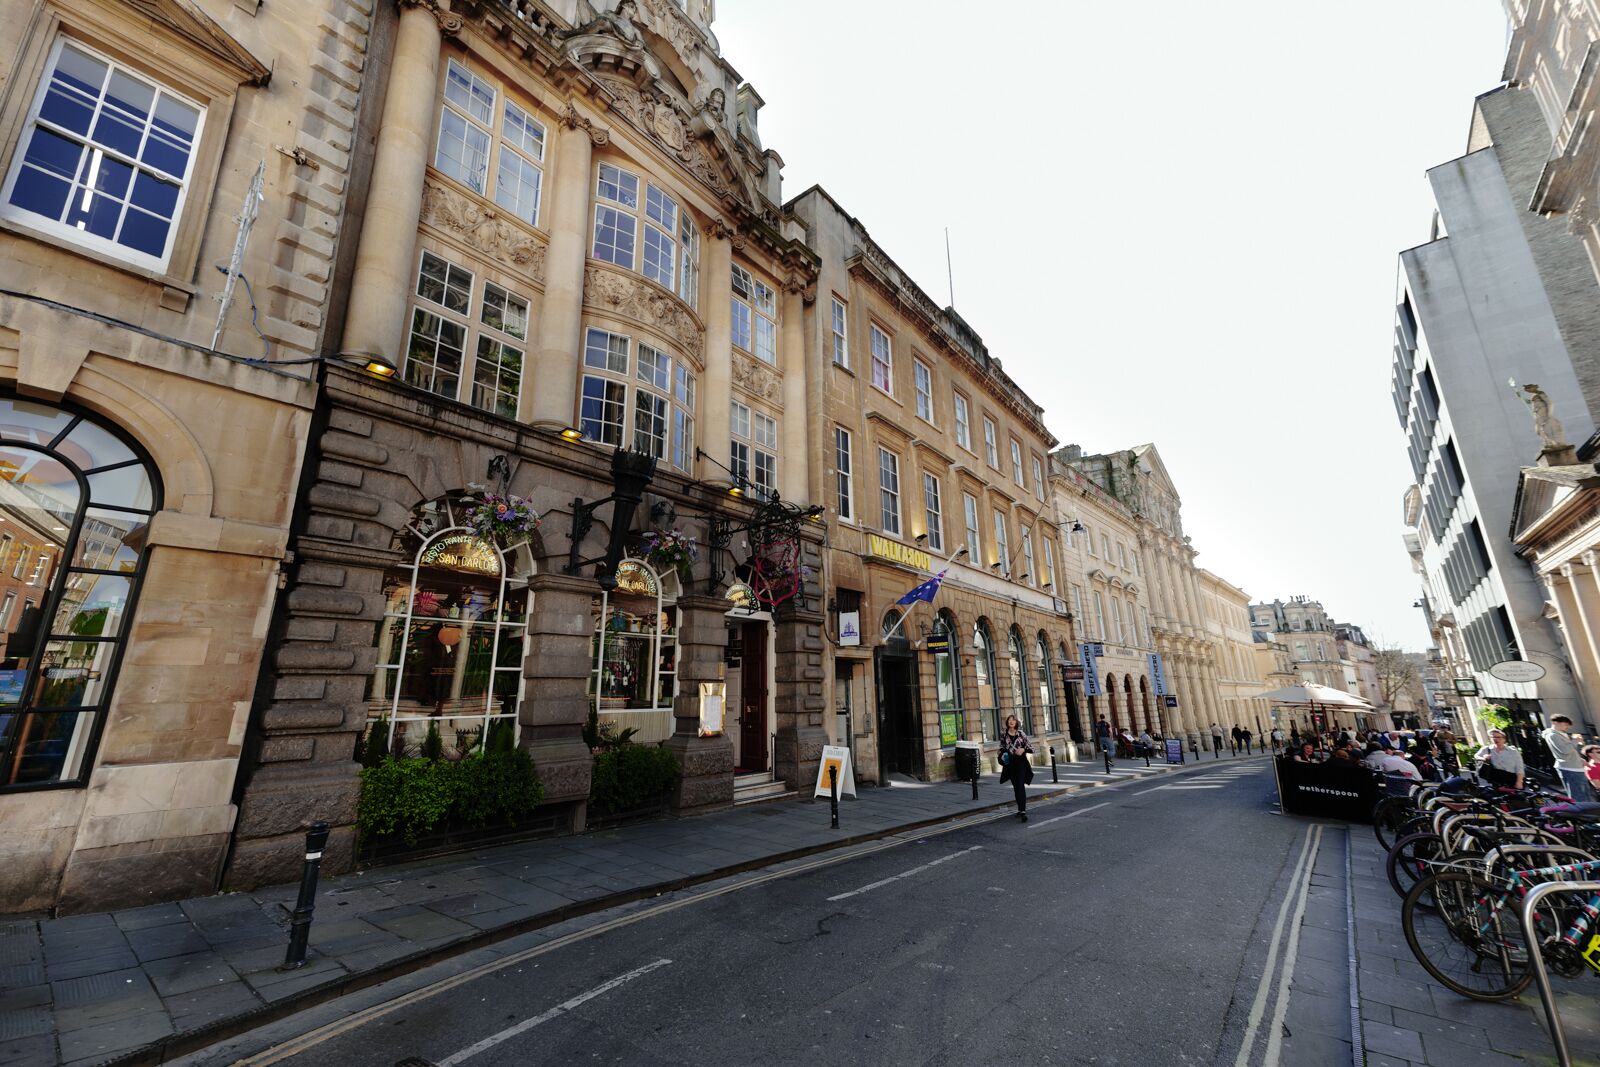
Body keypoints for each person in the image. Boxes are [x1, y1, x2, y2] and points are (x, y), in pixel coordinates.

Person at [1542, 715, 1590, 801]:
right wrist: (1575, 741)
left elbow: (1568, 751)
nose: (1567, 727)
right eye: (1565, 724)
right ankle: (1582, 813)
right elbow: (1565, 750)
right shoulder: (1553, 735)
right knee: (1578, 794)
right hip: (1570, 768)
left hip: (1573, 767)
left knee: (1583, 793)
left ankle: (1586, 811)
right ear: (1555, 723)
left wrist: (1579, 759)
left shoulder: (1560, 734)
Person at [998, 714, 1034, 821]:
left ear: (1016, 722)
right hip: (1010, 765)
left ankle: (1023, 810)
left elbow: (1031, 748)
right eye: (1009, 720)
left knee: (1020, 785)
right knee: (1016, 787)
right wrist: (1001, 754)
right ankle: (1019, 809)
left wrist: (1023, 750)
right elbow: (1001, 748)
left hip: (1021, 763)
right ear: (1007, 723)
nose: (1011, 722)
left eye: (1013, 720)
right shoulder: (1004, 735)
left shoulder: (1021, 734)